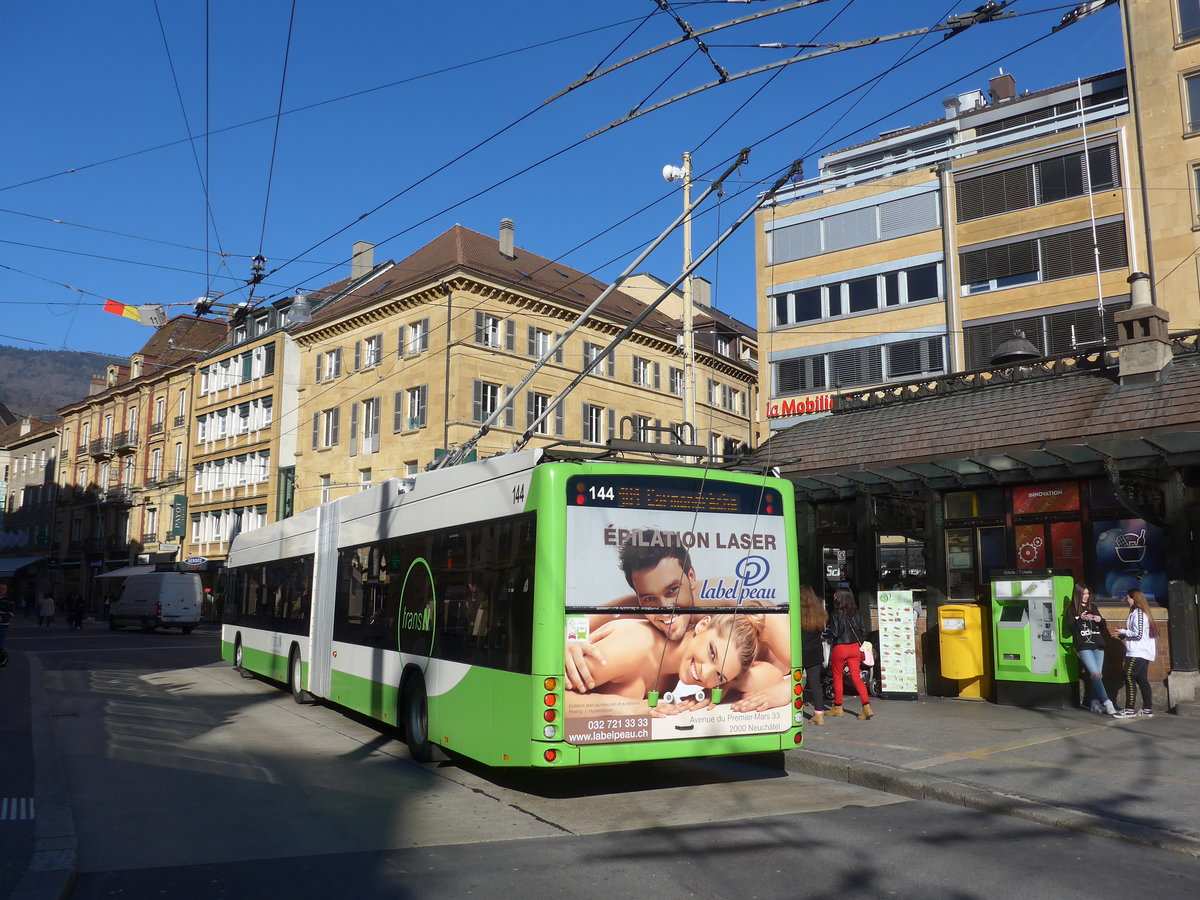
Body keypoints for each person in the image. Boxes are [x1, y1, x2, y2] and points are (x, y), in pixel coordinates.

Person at [564, 527, 791, 710]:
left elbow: (797, 662)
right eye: (649, 599)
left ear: (691, 577)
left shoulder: (725, 597)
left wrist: (787, 689)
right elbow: (579, 614)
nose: (665, 610)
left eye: (672, 590)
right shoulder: (639, 613)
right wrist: (572, 639)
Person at [566, 612, 767, 708]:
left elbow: (773, 677)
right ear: (703, 625)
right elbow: (548, 697)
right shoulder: (633, 646)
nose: (704, 674)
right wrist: (627, 708)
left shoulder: (673, 671)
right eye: (712, 652)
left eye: (719, 675)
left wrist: (722, 688)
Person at [823, 588, 872, 720]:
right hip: (855, 648)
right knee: (856, 677)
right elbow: (863, 632)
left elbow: (835, 633)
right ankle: (866, 706)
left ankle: (838, 707)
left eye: (836, 594)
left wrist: (826, 634)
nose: (834, 596)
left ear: (841, 597)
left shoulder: (835, 614)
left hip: (841, 648)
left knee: (838, 677)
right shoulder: (857, 613)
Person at [1067, 584, 1116, 716]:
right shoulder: (1071, 609)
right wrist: (1080, 619)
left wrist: (1100, 619)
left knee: (1097, 675)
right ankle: (1107, 702)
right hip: (1083, 645)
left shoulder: (1092, 607)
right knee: (1095, 674)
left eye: (1088, 594)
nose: (1086, 596)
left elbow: (1103, 625)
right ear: (1078, 595)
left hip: (1098, 643)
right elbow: (1070, 629)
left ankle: (1094, 703)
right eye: (1084, 594)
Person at [1112, 588, 1158, 718]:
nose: (1126, 600)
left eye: (1128, 597)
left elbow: (1138, 634)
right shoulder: (1137, 613)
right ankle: (1147, 708)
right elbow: (1137, 631)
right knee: (1142, 679)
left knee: (1129, 676)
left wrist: (1123, 632)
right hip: (1141, 651)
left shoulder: (1138, 613)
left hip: (1137, 652)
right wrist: (1122, 635)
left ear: (1134, 598)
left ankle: (1130, 709)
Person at [799, 584, 829, 725]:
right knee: (815, 683)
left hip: (799, 651)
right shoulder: (819, 612)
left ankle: (794, 710)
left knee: (794, 682)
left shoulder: (796, 611)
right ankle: (819, 714)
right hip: (815, 650)